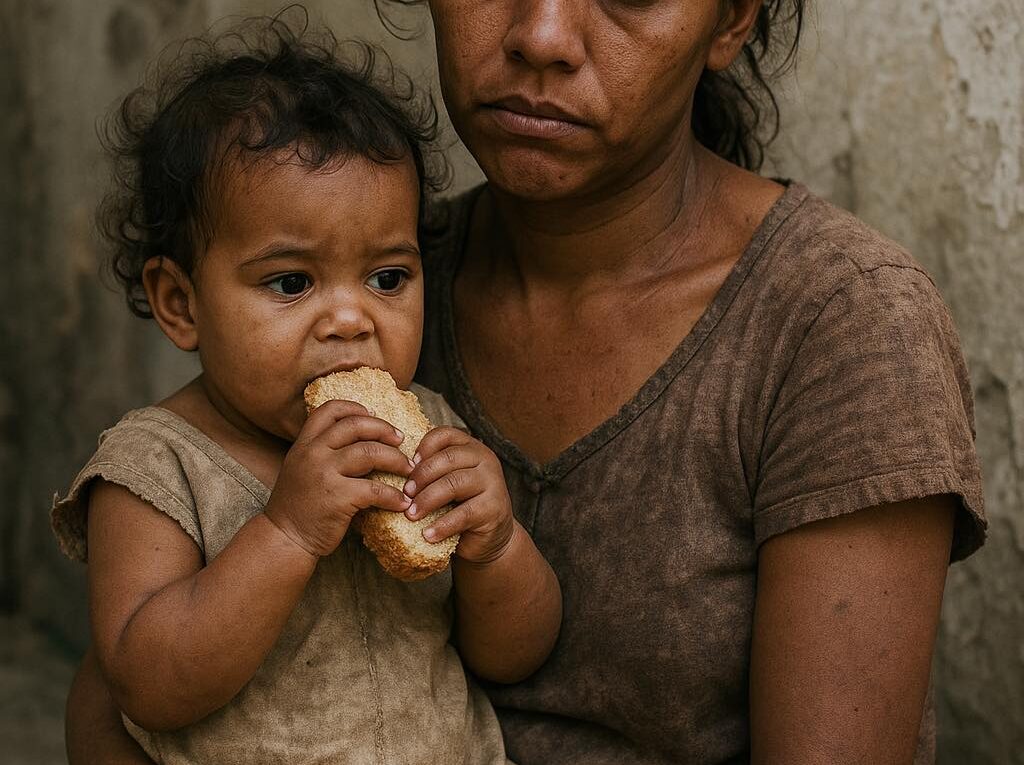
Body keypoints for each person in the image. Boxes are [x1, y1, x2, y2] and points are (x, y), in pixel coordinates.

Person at [67, 0, 987, 763]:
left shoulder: (838, 324)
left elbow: (514, 643)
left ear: (729, 20)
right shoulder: (384, 282)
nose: (541, 33)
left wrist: (496, 543)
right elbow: (123, 695)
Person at [52, 17, 560, 765]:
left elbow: (514, 656)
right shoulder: (154, 468)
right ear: (181, 303)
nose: (352, 319)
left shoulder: (430, 430)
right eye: (291, 282)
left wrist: (496, 546)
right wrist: (287, 531)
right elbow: (145, 682)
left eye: (388, 277)